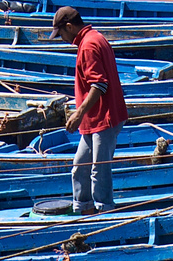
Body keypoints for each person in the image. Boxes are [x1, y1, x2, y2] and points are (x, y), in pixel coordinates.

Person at [54, 6, 127, 215]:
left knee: (99, 169)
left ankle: (104, 212)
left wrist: (79, 113)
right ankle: (82, 208)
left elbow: (99, 85)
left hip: (103, 117)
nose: (62, 38)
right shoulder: (95, 37)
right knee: (80, 166)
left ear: (69, 26)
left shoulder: (88, 45)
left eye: (61, 34)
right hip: (93, 120)